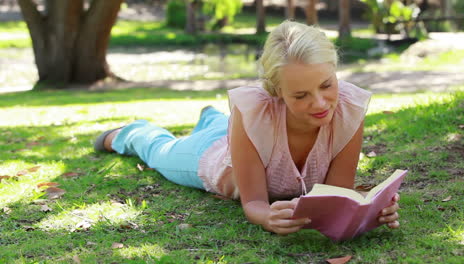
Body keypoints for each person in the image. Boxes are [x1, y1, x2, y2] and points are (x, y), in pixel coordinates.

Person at [94, 21, 400, 236]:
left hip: (239, 137)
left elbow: (335, 196)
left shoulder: (348, 107)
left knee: (223, 126)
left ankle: (212, 118)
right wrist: (266, 215)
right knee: (160, 152)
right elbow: (253, 202)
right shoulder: (254, 110)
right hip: (216, 158)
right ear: (277, 92)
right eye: (300, 95)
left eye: (326, 85)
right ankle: (131, 132)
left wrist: (368, 212)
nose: (320, 103)